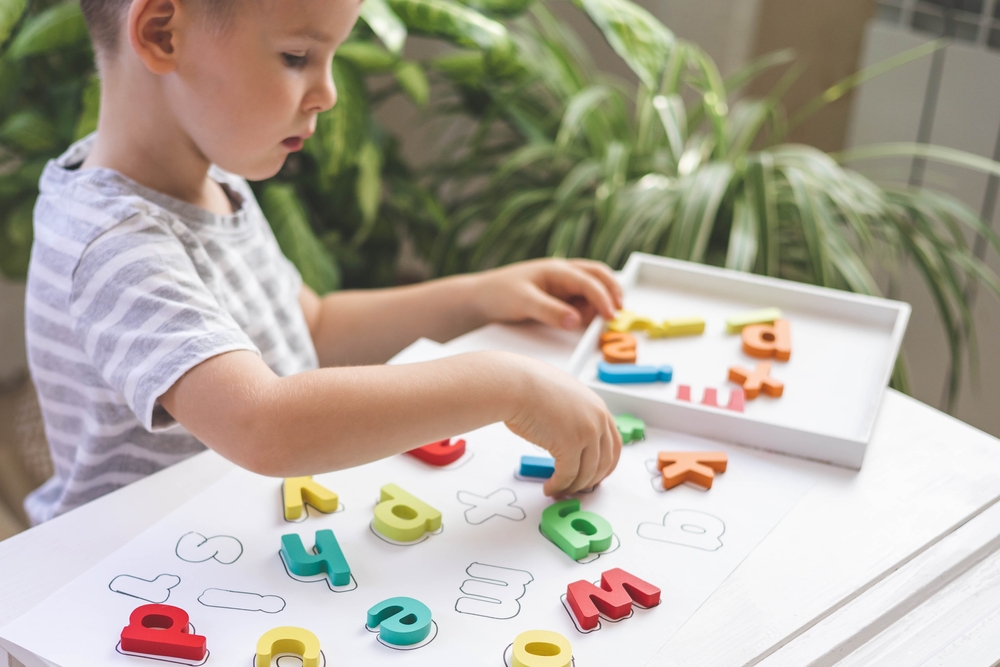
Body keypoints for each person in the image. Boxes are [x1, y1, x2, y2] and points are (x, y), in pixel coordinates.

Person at [23, 0, 623, 524]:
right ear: (162, 34)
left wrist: (476, 296)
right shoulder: (114, 246)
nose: (329, 93)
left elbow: (311, 326)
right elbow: (263, 424)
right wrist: (505, 383)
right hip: (120, 588)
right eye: (296, 57)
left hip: (235, 531)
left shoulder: (210, 179)